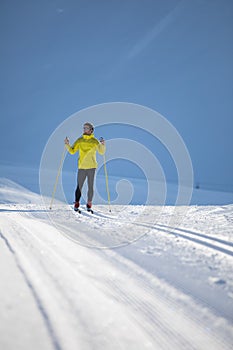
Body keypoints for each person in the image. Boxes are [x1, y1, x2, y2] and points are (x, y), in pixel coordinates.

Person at [64, 122, 106, 212]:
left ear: (91, 130)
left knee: (90, 186)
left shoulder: (94, 141)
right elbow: (72, 151)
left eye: (86, 128)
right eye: (83, 128)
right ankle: (76, 203)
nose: (84, 129)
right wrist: (67, 144)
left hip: (91, 167)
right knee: (79, 186)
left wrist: (102, 145)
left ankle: (89, 203)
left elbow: (101, 152)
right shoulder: (80, 140)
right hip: (82, 167)